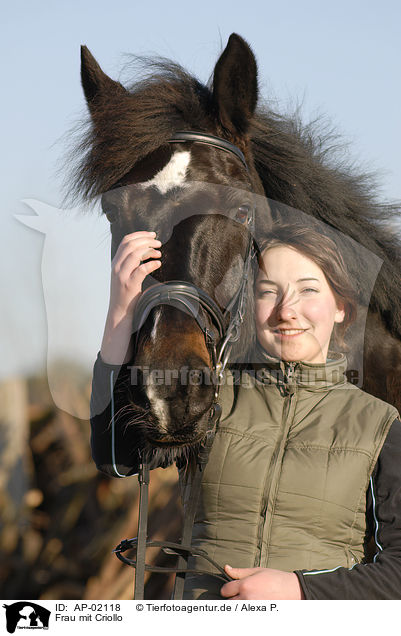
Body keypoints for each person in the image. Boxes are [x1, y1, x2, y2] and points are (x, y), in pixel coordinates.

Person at [90, 224, 401, 600]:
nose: (287, 311)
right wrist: (121, 313)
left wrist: (301, 590)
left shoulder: (380, 424)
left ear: (340, 307)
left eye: (308, 290)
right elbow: (117, 459)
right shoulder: (210, 396)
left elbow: (396, 570)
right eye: (268, 292)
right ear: (249, 306)